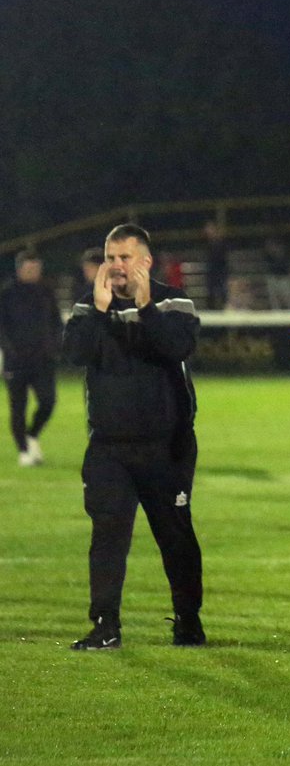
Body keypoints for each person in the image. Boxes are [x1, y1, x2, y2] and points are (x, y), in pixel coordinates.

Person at [62, 224, 205, 649]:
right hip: (108, 448)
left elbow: (175, 348)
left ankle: (188, 620)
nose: (116, 266)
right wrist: (103, 311)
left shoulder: (174, 302)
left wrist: (145, 307)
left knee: (175, 536)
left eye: (124, 258)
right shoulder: (90, 306)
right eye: (110, 257)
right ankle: (106, 626)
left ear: (145, 261)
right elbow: (73, 355)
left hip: (167, 447)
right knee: (107, 537)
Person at [0, 250, 61, 467]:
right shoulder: (7, 293)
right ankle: (24, 450)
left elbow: (55, 322)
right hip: (16, 360)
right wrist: (9, 349)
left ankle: (31, 434)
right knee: (18, 406)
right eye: (28, 269)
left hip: (42, 359)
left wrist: (54, 345)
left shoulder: (46, 292)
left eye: (36, 269)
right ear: (19, 270)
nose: (33, 272)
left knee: (48, 401)